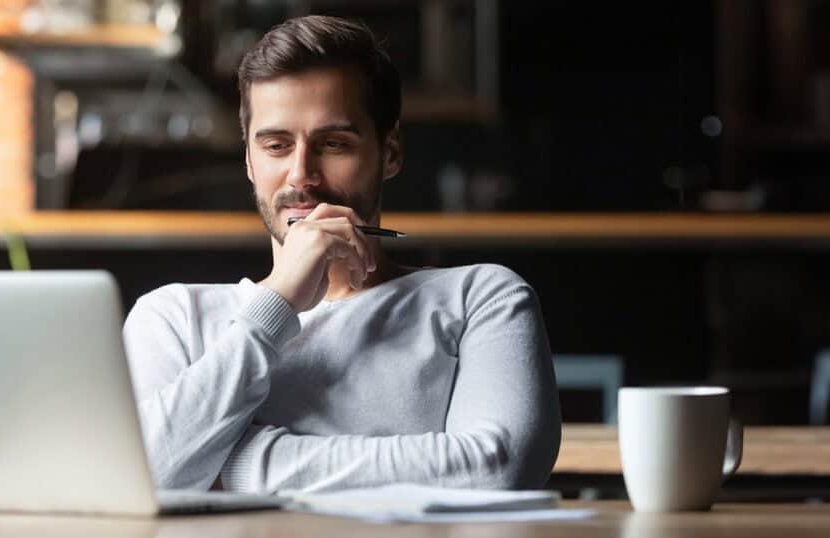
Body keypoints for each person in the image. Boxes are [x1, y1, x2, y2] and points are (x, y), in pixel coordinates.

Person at [122, 15, 560, 494]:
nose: (300, 175)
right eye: (276, 145)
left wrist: (234, 463)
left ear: (389, 153)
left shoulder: (481, 298)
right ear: (249, 160)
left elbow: (497, 470)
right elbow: (140, 479)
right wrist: (277, 304)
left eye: (333, 144)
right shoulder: (172, 316)